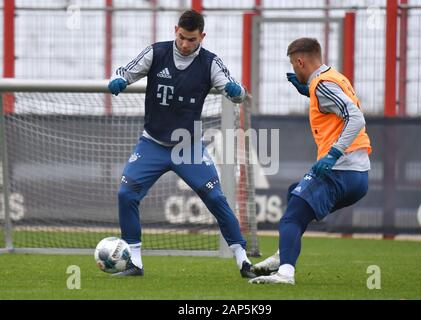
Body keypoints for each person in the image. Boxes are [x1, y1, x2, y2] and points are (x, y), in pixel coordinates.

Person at [108, 9, 256, 278]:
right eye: (182, 37)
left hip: (187, 147)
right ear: (175, 30)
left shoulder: (210, 63)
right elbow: (126, 71)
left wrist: (237, 92)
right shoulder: (156, 52)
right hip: (152, 143)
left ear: (202, 36)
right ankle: (135, 263)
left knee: (216, 198)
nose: (186, 44)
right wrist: (118, 80)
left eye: (192, 40)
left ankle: (243, 260)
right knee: (126, 195)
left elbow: (233, 87)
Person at [249, 38, 372, 285]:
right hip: (359, 176)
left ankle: (285, 273)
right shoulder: (334, 77)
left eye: (294, 66)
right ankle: (284, 255)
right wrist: (309, 92)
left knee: (291, 218)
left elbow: (356, 118)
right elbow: (336, 108)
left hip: (339, 169)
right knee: (294, 193)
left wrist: (334, 153)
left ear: (300, 61)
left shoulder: (323, 84)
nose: (295, 70)